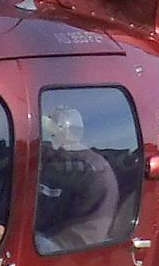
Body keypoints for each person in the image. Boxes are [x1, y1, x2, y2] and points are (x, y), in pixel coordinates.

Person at [36, 102, 121, 253]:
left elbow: (79, 246)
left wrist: (17, 242)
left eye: (52, 130)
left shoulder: (95, 174)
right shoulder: (42, 159)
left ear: (66, 131)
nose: (46, 137)